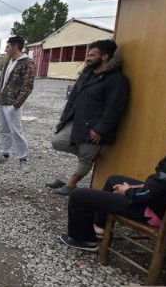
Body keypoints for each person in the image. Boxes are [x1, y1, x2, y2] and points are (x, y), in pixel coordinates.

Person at [60, 106, 166, 252]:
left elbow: (151, 195)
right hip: (164, 204)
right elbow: (165, 187)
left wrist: (128, 191)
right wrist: (140, 187)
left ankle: (84, 240)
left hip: (161, 214)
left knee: (79, 195)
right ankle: (99, 227)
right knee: (114, 180)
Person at [48, 40, 130, 196]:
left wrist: (100, 129)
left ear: (105, 56)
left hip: (95, 129)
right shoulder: (87, 74)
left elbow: (115, 108)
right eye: (88, 55)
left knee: (86, 158)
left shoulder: (117, 80)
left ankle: (71, 185)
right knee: (57, 141)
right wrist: (63, 118)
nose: (88, 58)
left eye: (92, 55)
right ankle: (88, 156)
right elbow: (73, 98)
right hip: (77, 122)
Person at [0, 36, 35, 173]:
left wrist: (16, 104)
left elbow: (28, 86)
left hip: (12, 104)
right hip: (2, 102)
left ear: (15, 47)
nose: (5, 49)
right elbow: (1, 82)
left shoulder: (27, 63)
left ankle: (23, 159)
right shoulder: (10, 62)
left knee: (16, 131)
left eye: (8, 47)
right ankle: (4, 153)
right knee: (3, 129)